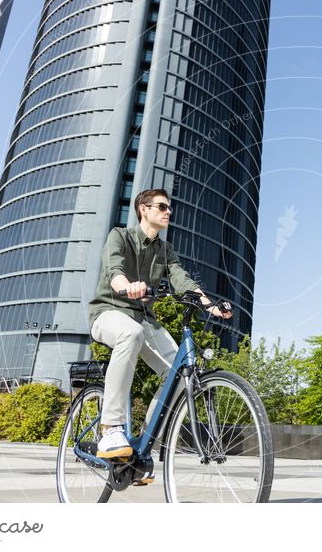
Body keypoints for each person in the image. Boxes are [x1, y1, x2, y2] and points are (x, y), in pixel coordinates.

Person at [87, 188, 231, 459]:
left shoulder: (166, 251)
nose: (169, 212)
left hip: (144, 320)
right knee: (130, 333)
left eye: (169, 208)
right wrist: (127, 287)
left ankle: (143, 446)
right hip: (109, 312)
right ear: (144, 209)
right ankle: (111, 428)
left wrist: (209, 304)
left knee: (180, 376)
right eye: (163, 207)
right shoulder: (120, 236)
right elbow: (113, 270)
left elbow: (183, 280)